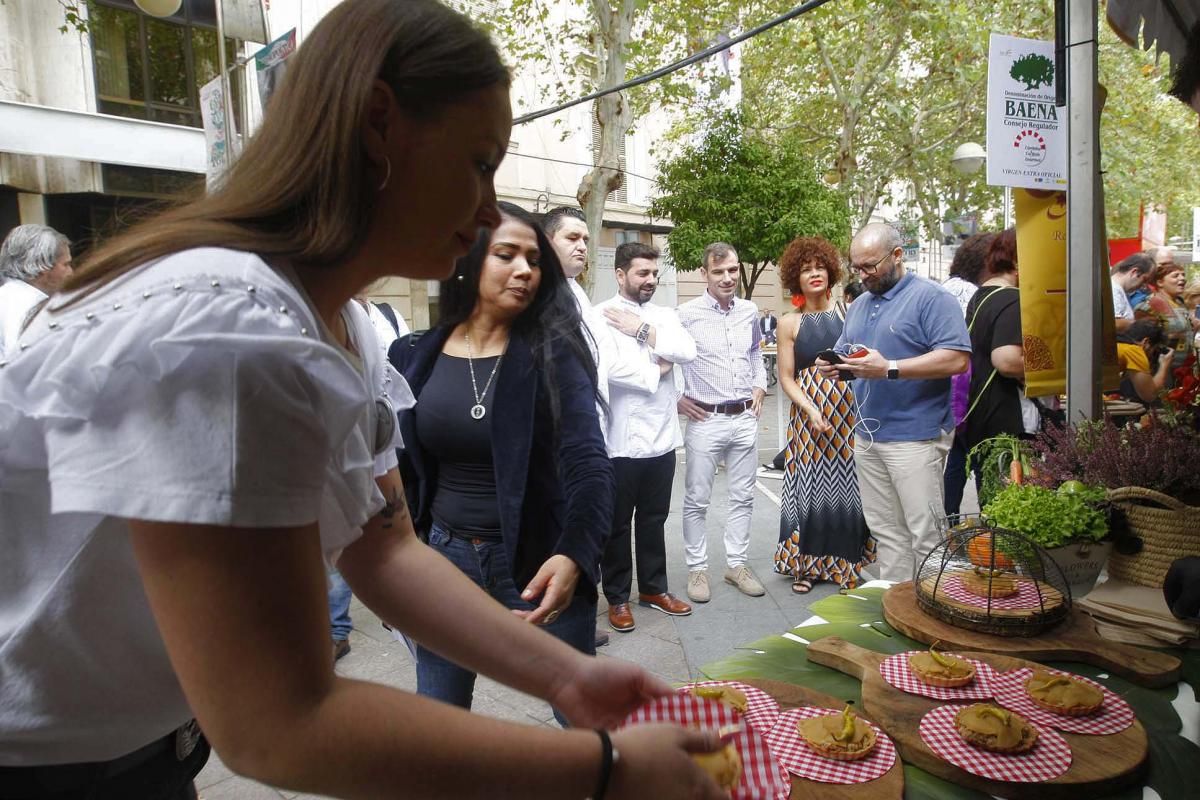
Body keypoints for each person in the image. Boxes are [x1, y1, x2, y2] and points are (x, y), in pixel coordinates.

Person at [0, 3, 727, 798]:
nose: (489, 210)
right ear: (381, 124)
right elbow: (278, 724)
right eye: (479, 162)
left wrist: (568, 679)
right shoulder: (229, 330)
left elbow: (382, 546)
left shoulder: (343, 324)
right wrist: (606, 771)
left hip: (143, 750)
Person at [389, 201, 611, 719]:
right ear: (467, 260)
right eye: (506, 255)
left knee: (583, 718)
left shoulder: (554, 352)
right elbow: (396, 468)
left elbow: (588, 462)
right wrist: (400, 559)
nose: (524, 270)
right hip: (444, 565)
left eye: (533, 260)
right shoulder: (412, 353)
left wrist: (574, 554)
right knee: (439, 718)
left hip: (539, 565)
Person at [817, 223, 970, 583]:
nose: (863, 275)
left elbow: (957, 359)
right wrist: (836, 364)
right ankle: (898, 609)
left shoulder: (933, 298)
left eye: (870, 266)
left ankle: (934, 614)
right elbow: (850, 350)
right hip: (869, 435)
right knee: (886, 532)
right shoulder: (861, 304)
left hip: (915, 436)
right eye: (856, 267)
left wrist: (890, 369)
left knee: (926, 535)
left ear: (898, 255)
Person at [596, 242, 696, 632]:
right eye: (642, 273)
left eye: (654, 274)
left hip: (661, 439)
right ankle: (617, 597)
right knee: (617, 525)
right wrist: (658, 370)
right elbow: (610, 369)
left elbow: (686, 351)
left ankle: (655, 589)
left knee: (654, 519)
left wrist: (642, 330)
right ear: (620, 275)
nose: (650, 280)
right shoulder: (598, 315)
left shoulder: (663, 315)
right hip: (618, 440)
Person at [771, 237, 874, 594]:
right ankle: (806, 567)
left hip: (849, 415)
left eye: (818, 267)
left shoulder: (851, 313)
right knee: (809, 489)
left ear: (830, 272)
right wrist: (811, 409)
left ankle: (847, 565)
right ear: (794, 279)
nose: (813, 274)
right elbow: (786, 377)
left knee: (850, 489)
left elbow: (864, 359)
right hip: (808, 415)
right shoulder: (789, 323)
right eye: (804, 270)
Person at [677, 242, 769, 603]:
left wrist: (760, 384)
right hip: (705, 419)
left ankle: (737, 564)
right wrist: (677, 399)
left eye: (732, 270)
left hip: (745, 417)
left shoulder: (749, 310)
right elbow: (665, 359)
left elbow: (755, 352)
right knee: (697, 499)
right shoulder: (685, 314)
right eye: (719, 272)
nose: (728, 278)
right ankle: (697, 569)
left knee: (742, 497)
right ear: (705, 274)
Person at [542, 203, 616, 649]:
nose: (583, 247)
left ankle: (578, 620)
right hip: (562, 441)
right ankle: (562, 623)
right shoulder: (544, 296)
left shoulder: (577, 293)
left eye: (586, 239)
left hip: (589, 433)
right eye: (572, 238)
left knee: (585, 526)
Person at [962, 229, 1039, 469]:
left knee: (992, 495)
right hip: (1006, 416)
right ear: (1018, 260)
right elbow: (1006, 360)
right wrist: (1055, 366)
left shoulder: (982, 296)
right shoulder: (1013, 299)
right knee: (1010, 493)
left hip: (979, 413)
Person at [940, 231, 996, 516]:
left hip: (946, 390)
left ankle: (949, 522)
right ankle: (990, 524)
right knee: (979, 460)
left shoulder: (944, 287)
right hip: (971, 389)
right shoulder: (979, 293)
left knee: (958, 458)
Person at [0, 223, 72, 354]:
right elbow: (20, 361)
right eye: (65, 265)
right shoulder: (31, 307)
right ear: (42, 266)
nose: (70, 272)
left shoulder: (6, 296)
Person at [1135, 258, 1197, 374]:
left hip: (1182, 369)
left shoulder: (1180, 303)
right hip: (1160, 369)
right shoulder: (1150, 304)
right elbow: (1141, 340)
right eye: (1176, 276)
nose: (1182, 278)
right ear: (1160, 282)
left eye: (1183, 275)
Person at [1116, 319, 1173, 404]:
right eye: (1154, 350)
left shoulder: (1118, 345)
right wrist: (1164, 366)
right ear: (1146, 342)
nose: (1151, 356)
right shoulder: (1134, 351)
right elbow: (1149, 395)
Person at [1110, 252, 1153, 334]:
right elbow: (1114, 323)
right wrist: (1139, 323)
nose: (1144, 286)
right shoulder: (1114, 290)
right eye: (1144, 280)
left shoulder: (1120, 290)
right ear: (1135, 272)